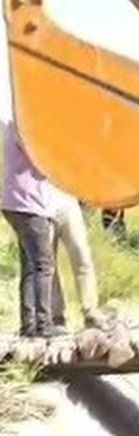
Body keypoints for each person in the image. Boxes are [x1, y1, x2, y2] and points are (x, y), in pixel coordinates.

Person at [2, 123, 61, 338]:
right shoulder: (27, 128)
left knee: (30, 267)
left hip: (14, 203)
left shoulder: (12, 125)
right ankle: (43, 324)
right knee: (44, 266)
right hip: (30, 204)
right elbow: (44, 160)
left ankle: (28, 324)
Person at [51, 187, 106, 329]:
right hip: (41, 204)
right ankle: (57, 316)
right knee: (48, 265)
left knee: (82, 256)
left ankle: (90, 311)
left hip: (68, 201)